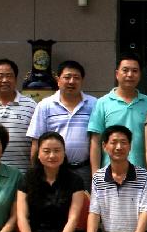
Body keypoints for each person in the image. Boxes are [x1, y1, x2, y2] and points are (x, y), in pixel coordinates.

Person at [27, 60, 97, 188]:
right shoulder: (45, 105)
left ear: (82, 80)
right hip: (53, 171)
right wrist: (36, 173)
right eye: (67, 77)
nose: (71, 81)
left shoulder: (94, 104)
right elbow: (36, 142)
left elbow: (97, 140)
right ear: (58, 80)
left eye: (76, 78)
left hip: (84, 169)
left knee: (83, 201)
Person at [87, 52, 147, 174]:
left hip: (141, 174)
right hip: (110, 174)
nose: (130, 74)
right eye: (125, 70)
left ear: (140, 75)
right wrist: (95, 175)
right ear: (117, 74)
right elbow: (95, 142)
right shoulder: (102, 103)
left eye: (135, 71)